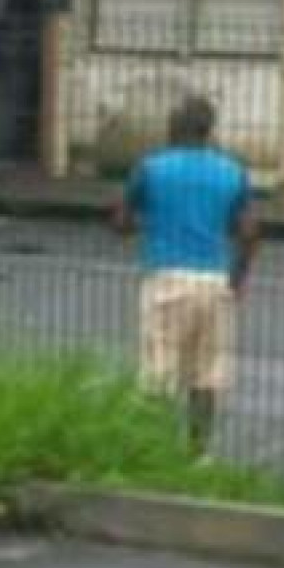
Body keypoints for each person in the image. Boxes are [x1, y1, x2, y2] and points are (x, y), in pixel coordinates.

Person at [113, 93, 258, 453]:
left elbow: (121, 221)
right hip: (213, 280)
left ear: (172, 127)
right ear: (209, 130)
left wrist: (137, 223)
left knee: (158, 372)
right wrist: (236, 281)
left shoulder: (151, 167)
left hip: (166, 278)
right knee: (205, 375)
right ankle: (198, 454)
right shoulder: (232, 171)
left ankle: (150, 451)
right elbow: (251, 233)